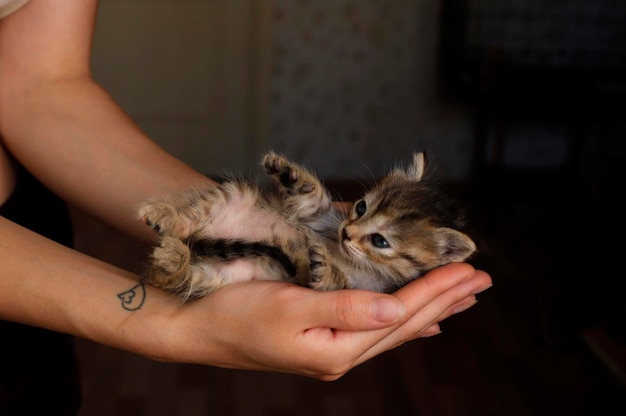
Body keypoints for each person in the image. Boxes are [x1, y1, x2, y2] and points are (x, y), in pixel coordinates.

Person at [0, 0, 493, 414]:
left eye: (377, 236)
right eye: (362, 210)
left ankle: (189, 241)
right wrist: (167, 325)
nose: (351, 230)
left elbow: (39, 84)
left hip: (25, 217)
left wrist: (223, 217)